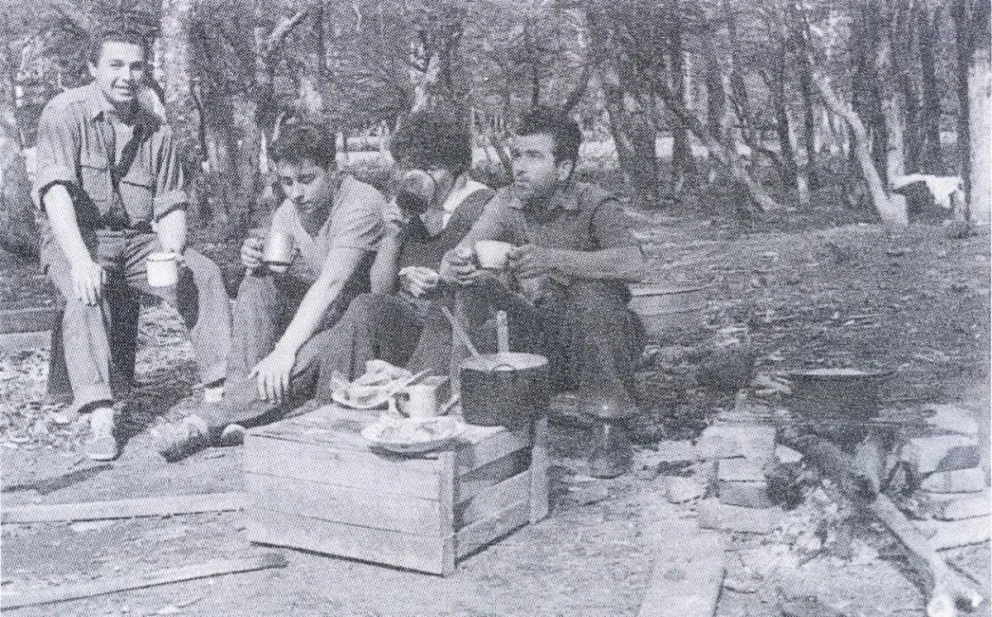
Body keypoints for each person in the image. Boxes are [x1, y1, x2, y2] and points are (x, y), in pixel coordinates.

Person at [33, 27, 232, 461]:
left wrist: (172, 251)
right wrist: (82, 262)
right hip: (77, 238)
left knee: (203, 272)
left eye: (136, 66)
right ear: (92, 68)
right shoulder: (63, 113)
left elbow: (170, 200)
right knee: (86, 294)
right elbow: (55, 195)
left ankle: (221, 390)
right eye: (116, 65)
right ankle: (101, 417)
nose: (127, 76)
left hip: (139, 239)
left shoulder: (154, 125)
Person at [152, 120, 387, 460]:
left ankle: (212, 418)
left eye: (307, 179)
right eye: (287, 182)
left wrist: (284, 351)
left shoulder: (359, 202)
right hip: (315, 312)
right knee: (258, 280)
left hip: (356, 322)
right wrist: (256, 258)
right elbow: (289, 277)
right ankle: (241, 407)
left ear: (333, 171)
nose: (296, 193)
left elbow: (333, 283)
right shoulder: (288, 211)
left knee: (311, 348)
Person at [439, 106, 647, 478]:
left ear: (564, 168)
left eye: (534, 156)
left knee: (592, 294)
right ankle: (470, 406)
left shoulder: (595, 204)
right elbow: (461, 254)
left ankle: (610, 425)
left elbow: (634, 264)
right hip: (541, 337)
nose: (519, 166)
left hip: (600, 340)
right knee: (476, 288)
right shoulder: (507, 202)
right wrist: (456, 265)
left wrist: (553, 260)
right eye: (517, 155)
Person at [311, 105, 496, 388]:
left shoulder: (482, 206)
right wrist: (393, 238)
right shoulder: (411, 205)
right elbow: (380, 290)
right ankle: (332, 402)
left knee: (443, 309)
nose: (422, 177)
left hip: (458, 333)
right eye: (413, 167)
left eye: (432, 168)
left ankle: (408, 396)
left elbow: (485, 290)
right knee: (364, 305)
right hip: (411, 328)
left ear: (459, 169)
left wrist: (443, 282)